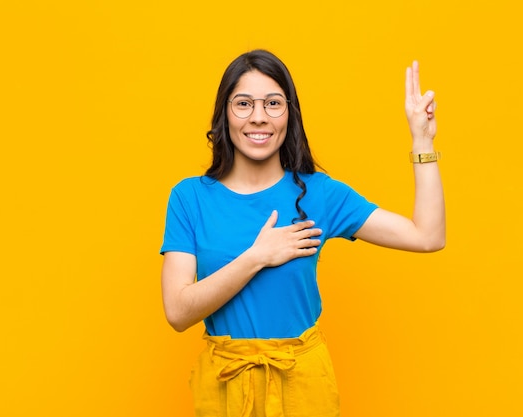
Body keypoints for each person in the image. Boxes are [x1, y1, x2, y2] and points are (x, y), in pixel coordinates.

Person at [160, 49, 445, 417]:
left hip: (303, 387)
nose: (258, 117)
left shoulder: (320, 193)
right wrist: (257, 257)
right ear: (224, 114)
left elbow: (428, 236)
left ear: (289, 113)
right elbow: (178, 312)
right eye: (243, 104)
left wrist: (422, 142)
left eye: (273, 103)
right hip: (225, 387)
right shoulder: (190, 197)